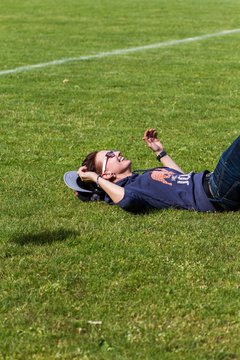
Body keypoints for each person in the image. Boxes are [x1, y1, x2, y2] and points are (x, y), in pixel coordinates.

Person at [64, 129, 240, 213]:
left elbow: (180, 177)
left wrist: (159, 152)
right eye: (109, 155)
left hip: (217, 186)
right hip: (216, 190)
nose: (117, 152)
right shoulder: (130, 190)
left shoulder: (140, 178)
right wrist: (94, 178)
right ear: (107, 175)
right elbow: (128, 202)